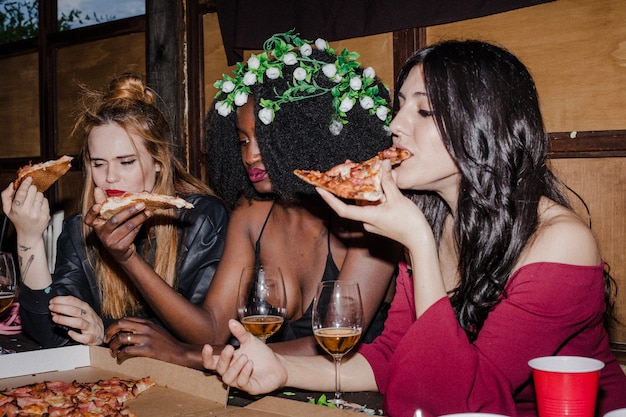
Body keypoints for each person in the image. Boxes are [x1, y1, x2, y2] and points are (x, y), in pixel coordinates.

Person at [201, 40, 626, 417]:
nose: (395, 125)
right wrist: (281, 368)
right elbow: (391, 358)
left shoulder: (560, 241)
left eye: (423, 109)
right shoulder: (430, 219)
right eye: (401, 105)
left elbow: (466, 400)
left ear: (482, 124)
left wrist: (418, 244)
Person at [104, 31, 400, 366]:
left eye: (265, 139)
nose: (251, 156)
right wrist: (128, 258)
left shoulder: (367, 220)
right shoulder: (251, 215)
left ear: (306, 136)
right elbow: (212, 328)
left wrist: (188, 356)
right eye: (243, 141)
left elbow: (331, 345)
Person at [1, 73, 229, 348]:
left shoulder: (200, 218)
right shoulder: (80, 229)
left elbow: (207, 336)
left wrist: (105, 333)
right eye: (99, 164)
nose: (110, 178)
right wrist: (29, 238)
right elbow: (49, 335)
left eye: (126, 162)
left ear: (158, 161)